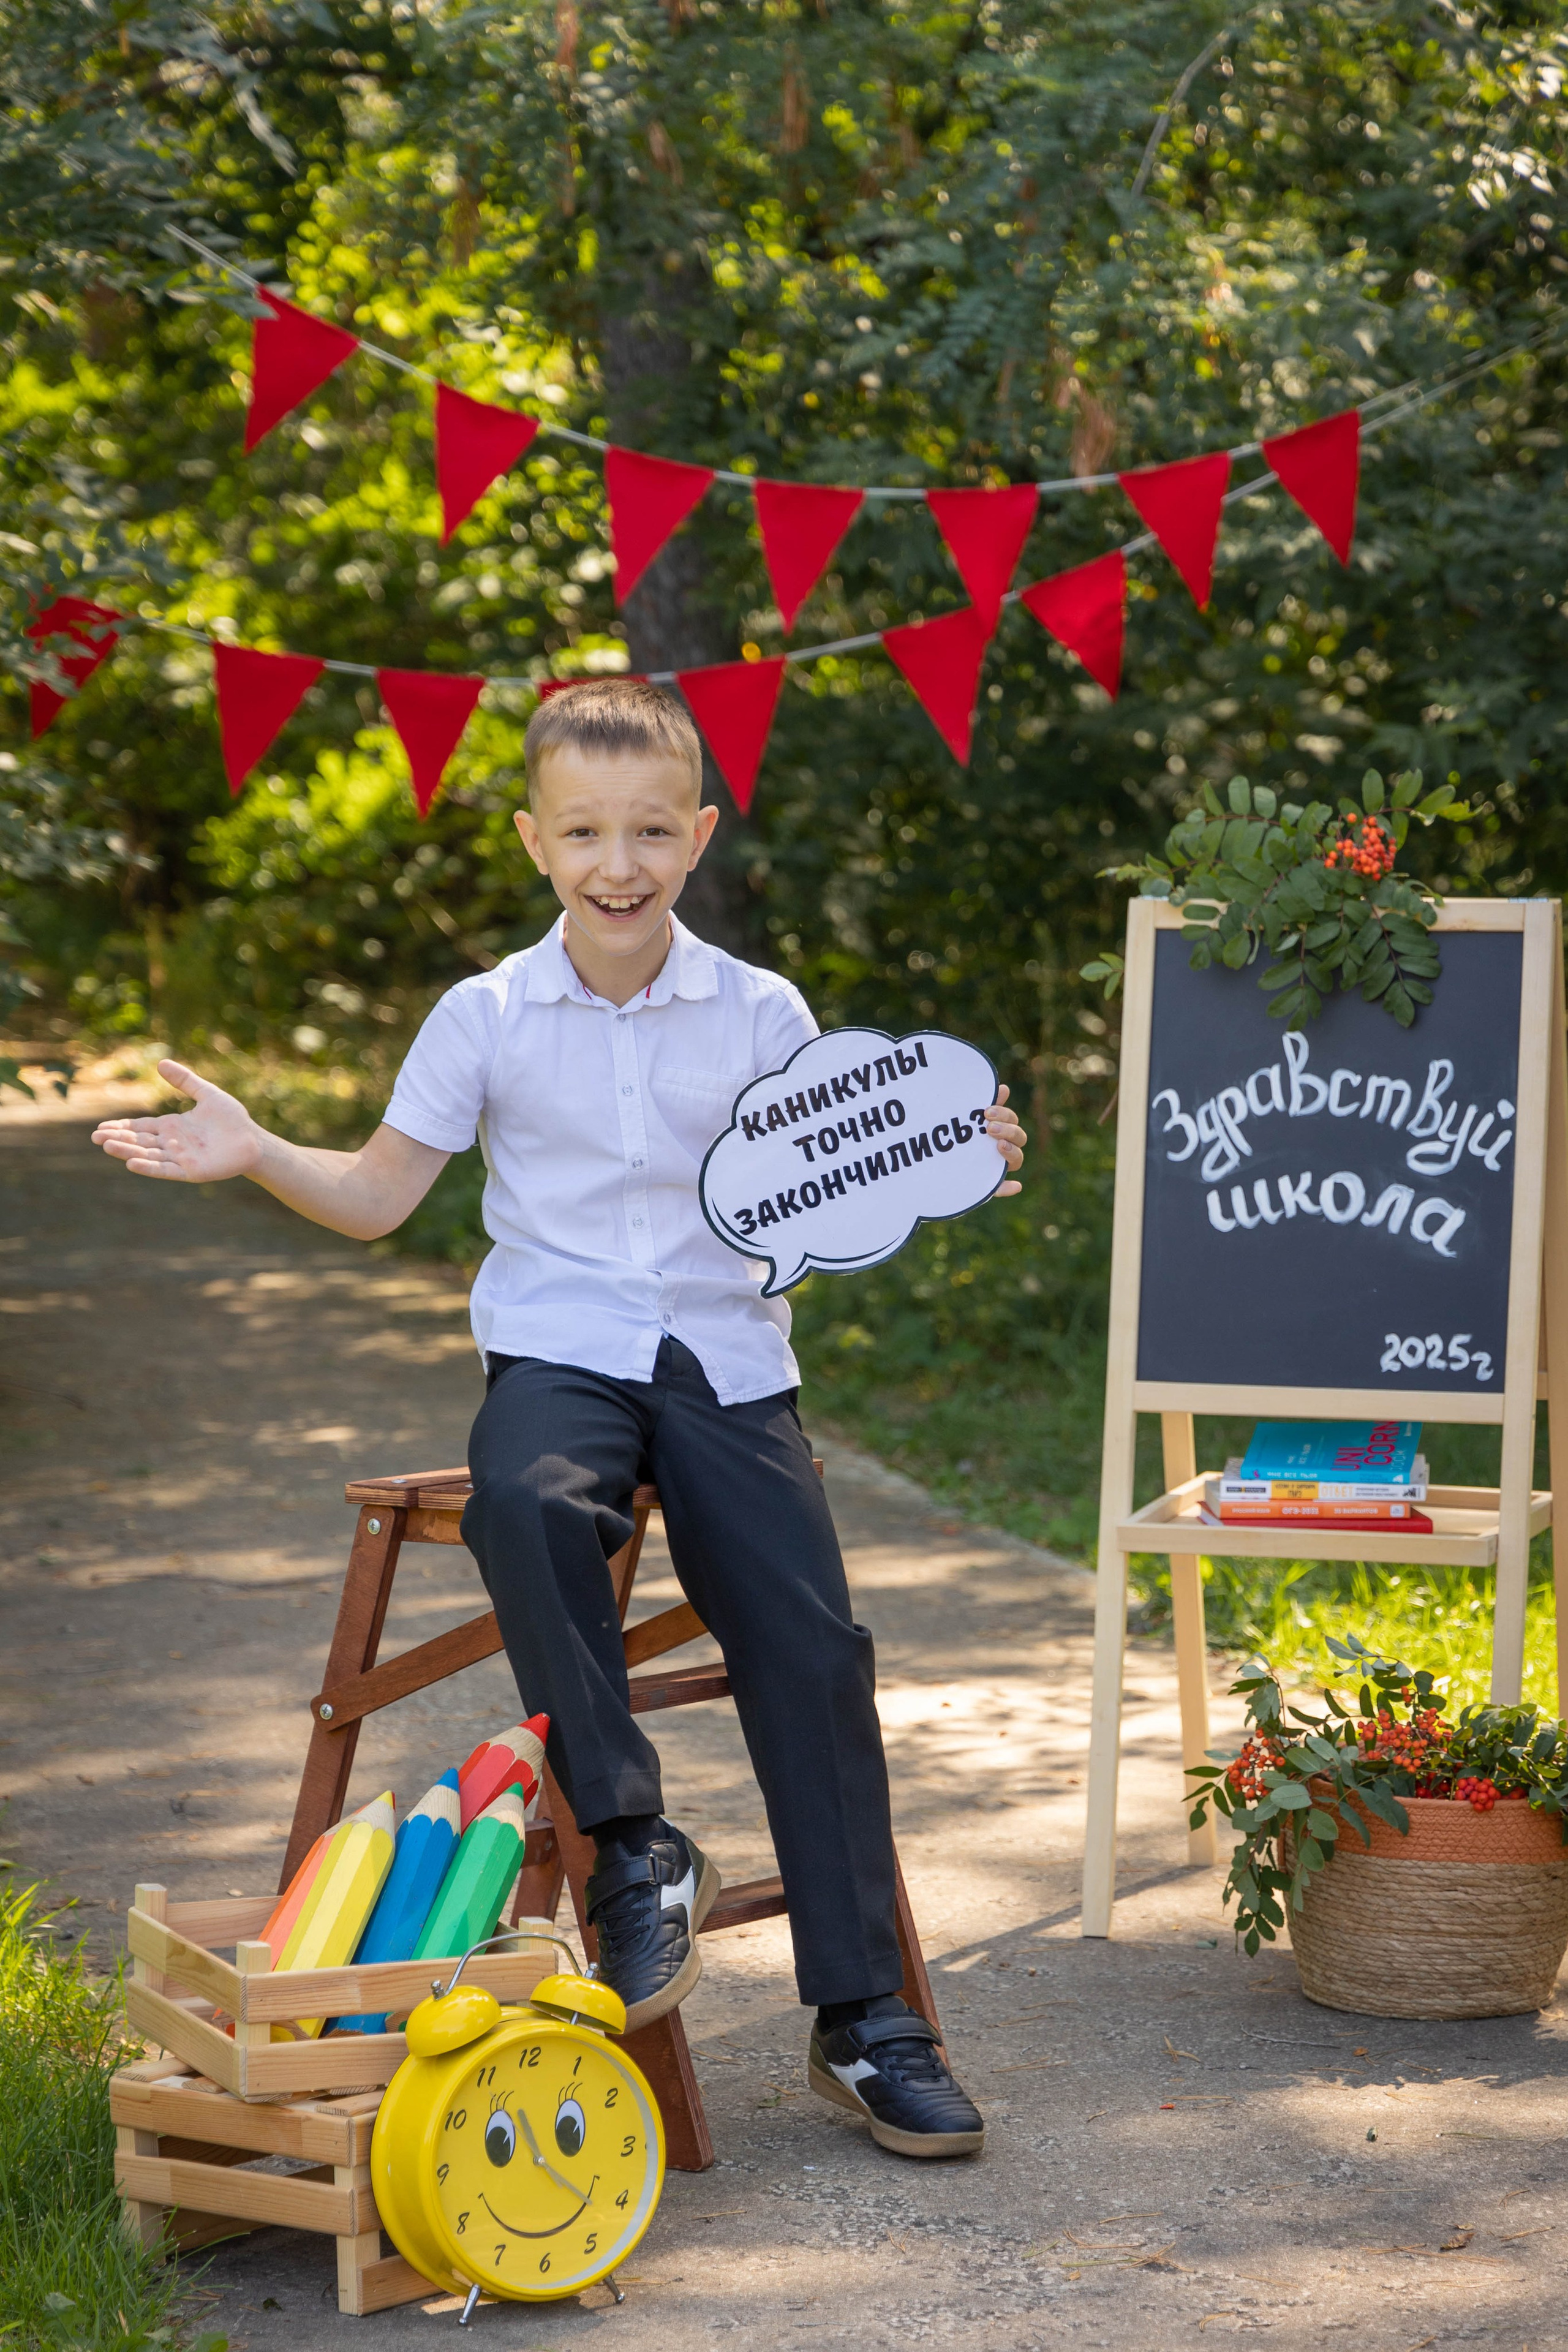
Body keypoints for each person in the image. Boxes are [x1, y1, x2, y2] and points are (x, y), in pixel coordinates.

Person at [92, 677, 1026, 2160]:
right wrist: (259, 1147)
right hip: (560, 1353)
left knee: (809, 1642)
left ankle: (865, 2023)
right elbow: (381, 1192)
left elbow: (841, 1168)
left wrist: (952, 1155)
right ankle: (634, 1848)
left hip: (726, 1360)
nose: (620, 863)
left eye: (652, 830)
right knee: (526, 1501)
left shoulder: (760, 1010)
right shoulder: (487, 1016)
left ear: (698, 833)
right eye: (586, 832)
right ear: (536, 841)